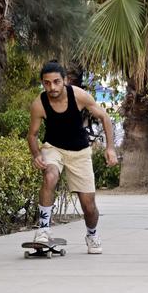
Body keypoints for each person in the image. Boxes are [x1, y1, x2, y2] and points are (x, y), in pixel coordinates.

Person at [27, 61, 118, 253]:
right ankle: (43, 230)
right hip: (54, 148)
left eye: (56, 82)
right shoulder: (39, 104)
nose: (52, 87)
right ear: (43, 84)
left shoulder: (78, 95)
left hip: (80, 152)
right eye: (47, 83)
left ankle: (92, 234)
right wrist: (36, 154)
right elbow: (32, 134)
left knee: (89, 206)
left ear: (65, 81)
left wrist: (110, 148)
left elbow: (104, 117)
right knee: (50, 176)